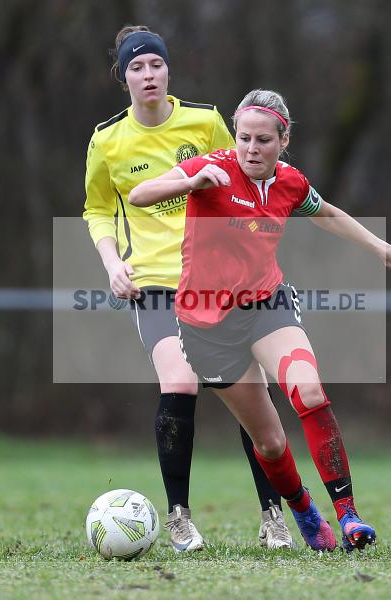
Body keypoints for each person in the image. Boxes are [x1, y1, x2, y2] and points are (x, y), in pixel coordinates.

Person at [129, 89, 391, 550]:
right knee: (269, 443)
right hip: (206, 327)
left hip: (266, 305)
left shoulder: (289, 182)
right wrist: (189, 183)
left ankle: (349, 516)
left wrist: (381, 249)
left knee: (309, 391)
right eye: (244, 138)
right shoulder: (212, 169)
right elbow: (139, 194)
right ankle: (304, 511)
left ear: (283, 141)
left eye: (263, 140)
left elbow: (326, 213)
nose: (251, 149)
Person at [82, 27, 293, 551]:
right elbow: (97, 208)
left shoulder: (204, 121)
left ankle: (273, 516)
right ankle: (178, 516)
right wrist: (112, 263)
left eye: (156, 64)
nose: (148, 74)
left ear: (168, 69)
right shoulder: (107, 139)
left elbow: (245, 179)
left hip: (220, 282)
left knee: (252, 396)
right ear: (123, 77)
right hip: (154, 282)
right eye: (137, 67)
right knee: (180, 382)